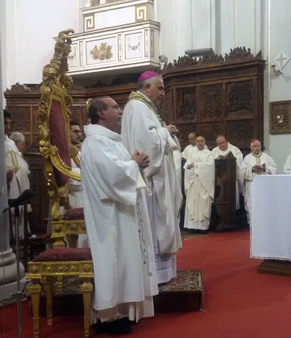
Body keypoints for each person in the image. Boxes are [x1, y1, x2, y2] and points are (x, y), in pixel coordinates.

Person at [81, 96, 157, 334]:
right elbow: (112, 176)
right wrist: (134, 164)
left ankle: (123, 311)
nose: (120, 110)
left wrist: (136, 164)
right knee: (113, 260)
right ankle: (109, 316)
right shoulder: (94, 143)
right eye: (115, 107)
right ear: (101, 113)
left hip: (120, 210)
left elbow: (121, 169)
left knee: (125, 260)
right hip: (108, 215)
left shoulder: (111, 141)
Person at [122, 71, 182, 284]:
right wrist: (165, 132)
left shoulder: (145, 107)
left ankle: (163, 271)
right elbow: (147, 145)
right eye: (160, 88)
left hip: (157, 177)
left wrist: (165, 133)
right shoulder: (138, 107)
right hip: (150, 180)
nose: (163, 93)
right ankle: (155, 274)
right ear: (147, 87)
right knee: (156, 223)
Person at [184, 136, 215, 233]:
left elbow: (210, 167)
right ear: (196, 142)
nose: (200, 143)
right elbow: (187, 167)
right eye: (198, 141)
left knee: (203, 204)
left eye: (202, 141)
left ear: (205, 142)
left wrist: (195, 165)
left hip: (204, 184)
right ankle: (192, 227)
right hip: (193, 182)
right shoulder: (191, 153)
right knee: (192, 203)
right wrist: (190, 168)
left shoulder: (209, 154)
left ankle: (203, 227)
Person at [242, 139, 277, 221]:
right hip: (252, 184)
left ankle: (265, 223)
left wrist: (265, 168)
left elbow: (274, 168)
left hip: (264, 185)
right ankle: (252, 225)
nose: (257, 148)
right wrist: (252, 169)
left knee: (264, 204)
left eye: (258, 146)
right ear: (251, 148)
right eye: (255, 146)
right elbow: (242, 172)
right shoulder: (247, 158)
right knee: (252, 205)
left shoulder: (267, 157)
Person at [8, 131, 32, 238]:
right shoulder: (12, 153)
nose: (23, 147)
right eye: (22, 144)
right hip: (15, 192)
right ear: (17, 143)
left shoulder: (16, 155)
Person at [211, 135, 244, 208]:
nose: (222, 144)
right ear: (217, 144)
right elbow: (210, 164)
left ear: (227, 141)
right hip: (219, 180)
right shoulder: (214, 151)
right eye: (220, 143)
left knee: (231, 200)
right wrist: (216, 160)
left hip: (231, 179)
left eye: (223, 142)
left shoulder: (235, 149)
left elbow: (240, 162)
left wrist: (230, 160)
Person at [68, 121, 83, 209]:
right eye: (75, 132)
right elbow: (69, 178)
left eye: (80, 132)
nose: (79, 135)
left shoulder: (80, 151)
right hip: (71, 198)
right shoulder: (61, 153)